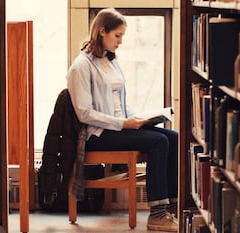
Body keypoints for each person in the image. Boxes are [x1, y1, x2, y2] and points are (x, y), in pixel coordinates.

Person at [66, 8, 179, 232]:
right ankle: (156, 215)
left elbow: (119, 102)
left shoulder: (110, 61)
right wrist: (123, 124)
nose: (120, 41)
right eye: (117, 36)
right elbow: (84, 114)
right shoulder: (81, 66)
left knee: (174, 137)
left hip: (118, 127)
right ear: (102, 32)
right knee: (159, 142)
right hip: (97, 135)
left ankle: (171, 208)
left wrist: (136, 118)